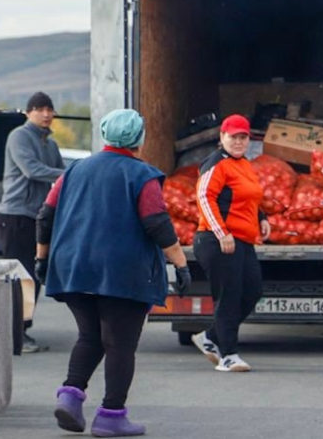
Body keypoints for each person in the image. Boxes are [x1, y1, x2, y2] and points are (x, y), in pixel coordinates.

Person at [35, 108, 191, 436]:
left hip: (74, 268)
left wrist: (41, 258)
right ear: (138, 138)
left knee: (90, 336)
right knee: (120, 344)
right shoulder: (141, 175)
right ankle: (111, 415)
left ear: (105, 134)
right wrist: (180, 263)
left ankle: (70, 396)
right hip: (121, 273)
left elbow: (45, 215)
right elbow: (156, 223)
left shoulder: (73, 171)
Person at [191, 114, 271, 373]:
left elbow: (248, 197)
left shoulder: (244, 164)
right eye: (233, 136)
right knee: (229, 295)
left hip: (243, 240)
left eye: (243, 137)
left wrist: (261, 218)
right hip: (218, 241)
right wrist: (221, 232)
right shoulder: (215, 163)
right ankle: (228, 355)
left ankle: (210, 337)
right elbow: (204, 196)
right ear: (222, 137)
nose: (238, 141)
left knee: (253, 291)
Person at [0, 90, 65, 353]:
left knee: (34, 275)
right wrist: (72, 173)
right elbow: (32, 170)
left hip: (37, 216)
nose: (47, 114)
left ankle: (23, 330)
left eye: (49, 109)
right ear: (29, 112)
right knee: (18, 276)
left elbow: (61, 178)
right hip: (15, 215)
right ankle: (13, 335)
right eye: (40, 109)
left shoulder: (51, 144)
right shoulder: (19, 137)